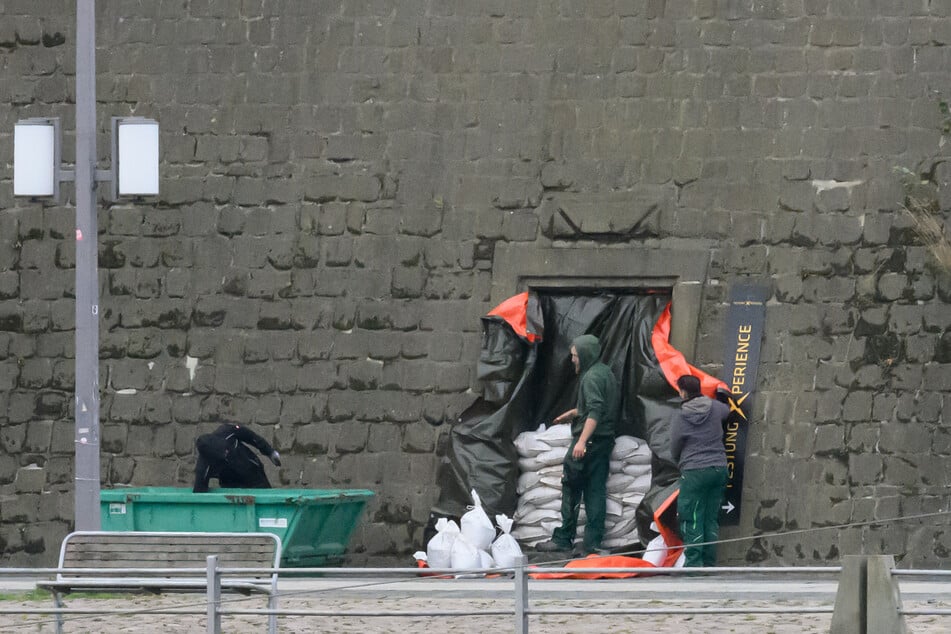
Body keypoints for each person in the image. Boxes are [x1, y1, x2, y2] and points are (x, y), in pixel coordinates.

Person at [536, 334, 619, 556]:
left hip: (589, 442)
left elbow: (596, 411)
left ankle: (564, 538)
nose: (572, 360)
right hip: (603, 441)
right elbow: (600, 406)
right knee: (595, 491)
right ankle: (592, 544)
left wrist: (581, 441)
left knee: (571, 486)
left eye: (574, 356)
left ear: (585, 355)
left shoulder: (590, 377)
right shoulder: (605, 373)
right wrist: (574, 413)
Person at [670, 374, 730, 567]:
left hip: (695, 471)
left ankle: (694, 566)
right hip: (719, 467)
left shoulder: (680, 416)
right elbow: (727, 411)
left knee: (692, 516)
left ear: (682, 392)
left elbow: (675, 445)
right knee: (711, 517)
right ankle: (709, 563)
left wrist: (678, 460)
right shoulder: (715, 407)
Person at [193, 423, 282, 492]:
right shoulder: (203, 465)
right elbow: (199, 490)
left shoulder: (227, 431)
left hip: (252, 471)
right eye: (223, 454)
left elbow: (251, 437)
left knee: (265, 497)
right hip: (231, 484)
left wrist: (270, 452)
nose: (227, 453)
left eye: (226, 449)